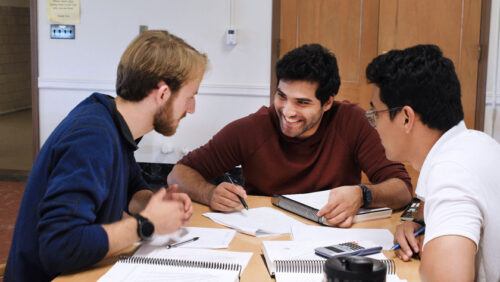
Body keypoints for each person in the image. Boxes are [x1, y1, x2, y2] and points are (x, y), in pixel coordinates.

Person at [5, 30, 208, 281]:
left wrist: (155, 203)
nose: (192, 108)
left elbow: (130, 190)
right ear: (163, 93)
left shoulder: (112, 121)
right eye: (190, 97)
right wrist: (146, 225)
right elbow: (59, 245)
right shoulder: (93, 138)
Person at [168, 43, 412, 227]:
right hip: (263, 236)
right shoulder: (252, 128)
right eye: (282, 96)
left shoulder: (352, 121)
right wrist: (208, 193)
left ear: (327, 103)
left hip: (332, 238)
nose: (288, 111)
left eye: (302, 102)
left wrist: (363, 194)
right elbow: (178, 175)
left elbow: (401, 188)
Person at [365, 44, 500, 281]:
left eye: (376, 114)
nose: (373, 125)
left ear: (406, 117)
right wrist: (418, 223)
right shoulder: (478, 144)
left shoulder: (451, 172)